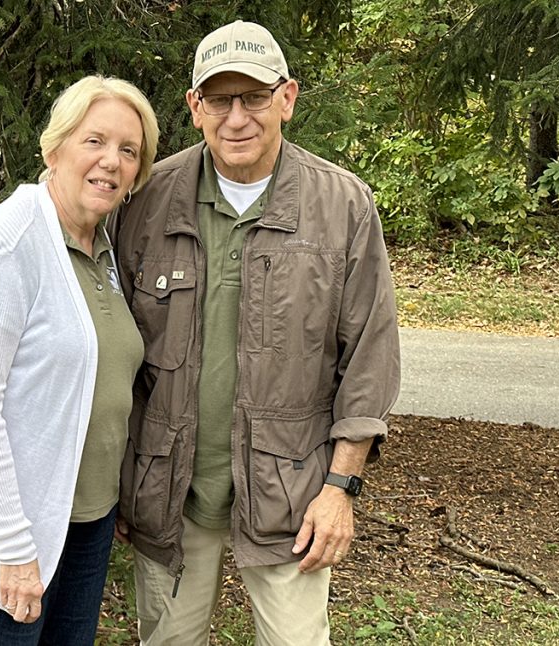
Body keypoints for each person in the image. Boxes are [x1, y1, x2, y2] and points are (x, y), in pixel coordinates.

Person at [113, 20, 400, 645]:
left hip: (291, 498)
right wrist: (121, 480)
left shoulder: (342, 206)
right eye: (219, 99)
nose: (236, 117)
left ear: (287, 99)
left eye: (255, 97)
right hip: (170, 495)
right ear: (194, 108)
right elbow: (114, 353)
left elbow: (370, 359)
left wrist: (340, 488)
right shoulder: (148, 201)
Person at [0, 75, 158, 645]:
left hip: (86, 523)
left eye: (129, 151)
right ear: (55, 148)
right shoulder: (7, 246)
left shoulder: (100, 247)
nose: (111, 161)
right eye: (94, 141)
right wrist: (14, 549)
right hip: (15, 537)